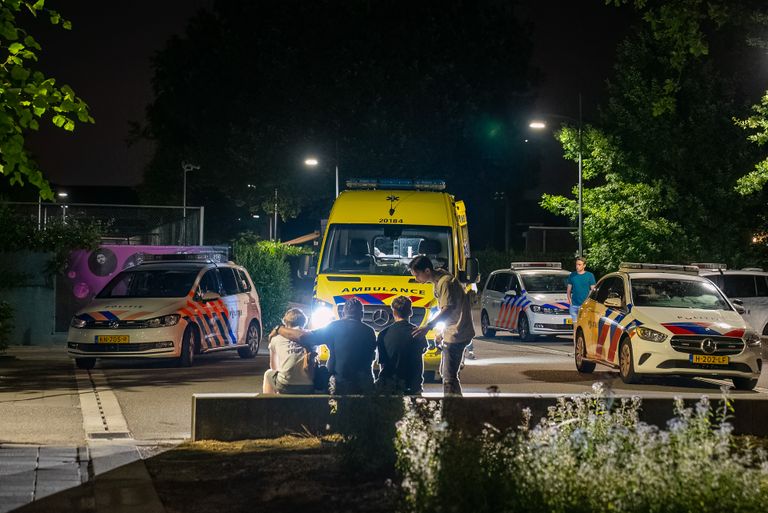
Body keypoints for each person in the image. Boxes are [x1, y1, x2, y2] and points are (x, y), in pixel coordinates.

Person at [272, 297, 376, 395]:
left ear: (343, 313)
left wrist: (279, 329)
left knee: (321, 370)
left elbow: (303, 337)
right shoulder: (370, 332)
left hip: (339, 385)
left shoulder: (334, 327)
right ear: (361, 314)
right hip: (364, 386)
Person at [409, 255, 475, 396]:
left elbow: (447, 309)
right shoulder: (439, 279)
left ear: (427, 271)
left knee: (448, 378)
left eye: (417, 275)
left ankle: (451, 411)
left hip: (456, 333)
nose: (416, 279)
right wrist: (440, 331)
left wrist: (428, 327)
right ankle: (457, 408)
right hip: (452, 331)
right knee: (448, 375)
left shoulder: (445, 283)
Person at [375, 296, 428, 395]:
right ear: (410, 312)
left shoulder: (383, 334)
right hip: (412, 386)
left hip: (389, 385)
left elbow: (382, 363)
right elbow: (422, 352)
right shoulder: (418, 332)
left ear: (393, 312)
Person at [262, 308, 315, 394]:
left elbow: (273, 366)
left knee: (268, 374)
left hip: (286, 385)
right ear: (304, 323)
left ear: (285, 323)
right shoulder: (310, 337)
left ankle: (268, 405)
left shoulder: (276, 338)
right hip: (309, 385)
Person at [567, 256, 596, 323]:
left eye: (579, 264)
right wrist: (570, 302)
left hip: (585, 306)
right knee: (575, 326)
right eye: (576, 264)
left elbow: (593, 290)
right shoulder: (572, 275)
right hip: (574, 306)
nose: (577, 266)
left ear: (584, 265)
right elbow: (568, 290)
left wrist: (587, 302)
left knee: (583, 325)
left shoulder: (590, 275)